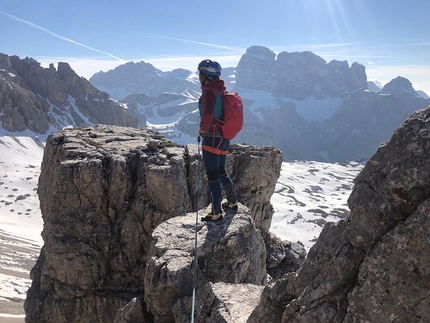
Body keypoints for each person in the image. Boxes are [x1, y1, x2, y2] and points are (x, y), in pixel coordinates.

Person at [197, 59, 238, 221]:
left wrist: (203, 130)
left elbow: (207, 116)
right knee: (221, 171)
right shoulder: (220, 91)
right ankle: (232, 201)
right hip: (224, 137)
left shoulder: (209, 92)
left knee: (213, 175)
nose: (198, 77)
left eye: (200, 73)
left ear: (205, 75)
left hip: (212, 138)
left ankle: (216, 212)